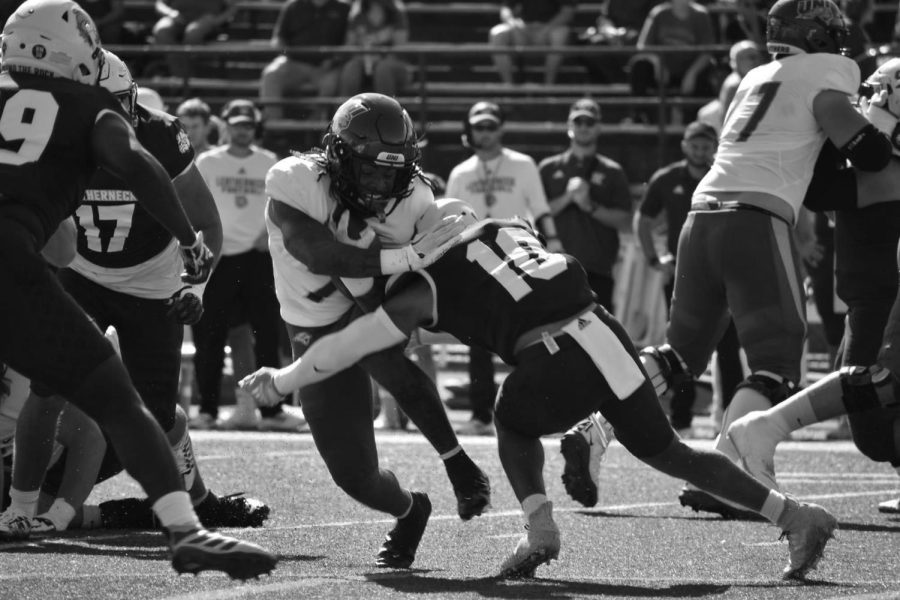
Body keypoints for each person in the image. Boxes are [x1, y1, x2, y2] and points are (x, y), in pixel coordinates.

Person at [241, 198, 840, 581]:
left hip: (554, 351)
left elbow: (350, 345)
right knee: (668, 452)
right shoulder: (506, 226)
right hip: (604, 330)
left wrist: (286, 378)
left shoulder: (424, 285)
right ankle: (794, 515)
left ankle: (541, 530)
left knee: (512, 419)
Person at [569, 0, 897, 519]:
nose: (839, 42)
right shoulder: (829, 73)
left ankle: (596, 427)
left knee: (680, 353)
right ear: (813, 36)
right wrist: (872, 136)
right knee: (775, 361)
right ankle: (731, 475)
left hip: (702, 215)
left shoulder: (753, 78)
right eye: (830, 32)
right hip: (756, 221)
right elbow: (865, 150)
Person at [0, 0, 274, 578]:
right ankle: (180, 528)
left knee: (142, 402)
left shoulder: (143, 128)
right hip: (59, 266)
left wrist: (193, 269)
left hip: (142, 278)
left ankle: (180, 506)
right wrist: (187, 241)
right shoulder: (85, 112)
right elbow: (109, 192)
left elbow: (205, 221)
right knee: (93, 395)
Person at [262, 92, 491, 567]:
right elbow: (317, 254)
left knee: (385, 355)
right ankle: (411, 508)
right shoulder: (296, 179)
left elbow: (421, 278)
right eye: (369, 169)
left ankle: (457, 459)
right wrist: (403, 256)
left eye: (391, 172)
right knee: (354, 477)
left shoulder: (417, 198)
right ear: (338, 154)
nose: (380, 183)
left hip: (374, 300)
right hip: (315, 323)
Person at [725, 57, 900, 514]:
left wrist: (818, 130)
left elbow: (819, 190)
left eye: (876, 96)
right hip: (869, 299)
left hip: (885, 299)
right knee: (872, 416)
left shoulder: (889, 173)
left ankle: (768, 427)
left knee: (875, 409)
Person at [446, 100, 560, 436]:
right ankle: (481, 415)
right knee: (478, 342)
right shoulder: (461, 172)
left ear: (501, 128)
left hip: (517, 258)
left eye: (491, 126)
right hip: (474, 262)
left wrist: (554, 246)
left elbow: (540, 209)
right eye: (479, 127)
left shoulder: (523, 165)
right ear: (470, 130)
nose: (485, 133)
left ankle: (538, 408)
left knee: (530, 336)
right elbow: (450, 220)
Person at [192, 99, 300, 431]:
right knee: (209, 336)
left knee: (266, 334)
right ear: (224, 125)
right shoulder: (207, 162)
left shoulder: (270, 162)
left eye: (248, 125)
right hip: (219, 257)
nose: (242, 131)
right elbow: (195, 205)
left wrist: (264, 238)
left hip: (258, 257)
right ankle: (207, 410)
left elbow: (282, 207)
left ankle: (272, 411)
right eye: (237, 124)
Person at [635, 120, 744, 438]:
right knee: (681, 346)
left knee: (728, 346)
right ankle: (681, 418)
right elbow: (643, 219)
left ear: (715, 147)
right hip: (682, 274)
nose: (699, 152)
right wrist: (656, 259)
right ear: (684, 145)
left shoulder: (727, 175)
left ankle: (730, 420)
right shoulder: (667, 178)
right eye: (694, 146)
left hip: (722, 273)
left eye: (705, 146)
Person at [539, 98, 632, 312]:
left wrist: (589, 206)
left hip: (598, 267)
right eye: (578, 122)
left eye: (589, 123)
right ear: (569, 125)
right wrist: (566, 198)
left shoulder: (612, 171)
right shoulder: (548, 168)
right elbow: (534, 214)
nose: (583, 127)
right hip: (553, 265)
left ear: (598, 127)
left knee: (598, 335)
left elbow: (626, 222)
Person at [259, 0, 350, 121]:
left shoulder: (343, 8)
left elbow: (349, 42)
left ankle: (317, 127)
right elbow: (278, 39)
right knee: (271, 74)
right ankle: (276, 129)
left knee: (333, 83)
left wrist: (334, 59)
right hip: (293, 63)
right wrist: (287, 52)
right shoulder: (292, 6)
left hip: (327, 68)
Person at [628, 0, 717, 122]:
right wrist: (658, 64)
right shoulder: (658, 13)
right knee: (639, 65)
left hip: (689, 71)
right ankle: (639, 117)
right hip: (662, 73)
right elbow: (643, 46)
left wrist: (692, 74)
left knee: (706, 74)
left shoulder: (701, 15)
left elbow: (707, 52)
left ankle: (696, 124)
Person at [488, 0, 576, 85]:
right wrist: (513, 24)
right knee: (497, 33)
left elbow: (567, 11)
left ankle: (549, 87)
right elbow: (506, 9)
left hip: (551, 29)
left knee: (560, 34)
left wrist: (546, 30)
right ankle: (508, 87)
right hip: (522, 30)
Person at [339, 0, 410, 97]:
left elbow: (400, 48)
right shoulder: (357, 13)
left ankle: (387, 110)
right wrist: (365, 57)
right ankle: (346, 110)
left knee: (382, 69)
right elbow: (350, 46)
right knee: (351, 68)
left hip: (393, 65)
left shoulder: (396, 12)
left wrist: (378, 56)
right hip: (364, 63)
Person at [152, 0, 237, 78]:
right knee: (161, 30)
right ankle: (183, 79)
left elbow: (233, 6)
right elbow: (160, 3)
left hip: (205, 20)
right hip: (177, 18)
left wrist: (217, 21)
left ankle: (185, 81)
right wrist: (170, 13)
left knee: (193, 33)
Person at [698, 40, 766, 131]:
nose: (755, 61)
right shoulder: (734, 84)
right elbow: (727, 120)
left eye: (757, 57)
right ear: (736, 62)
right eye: (751, 57)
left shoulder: (762, 78)